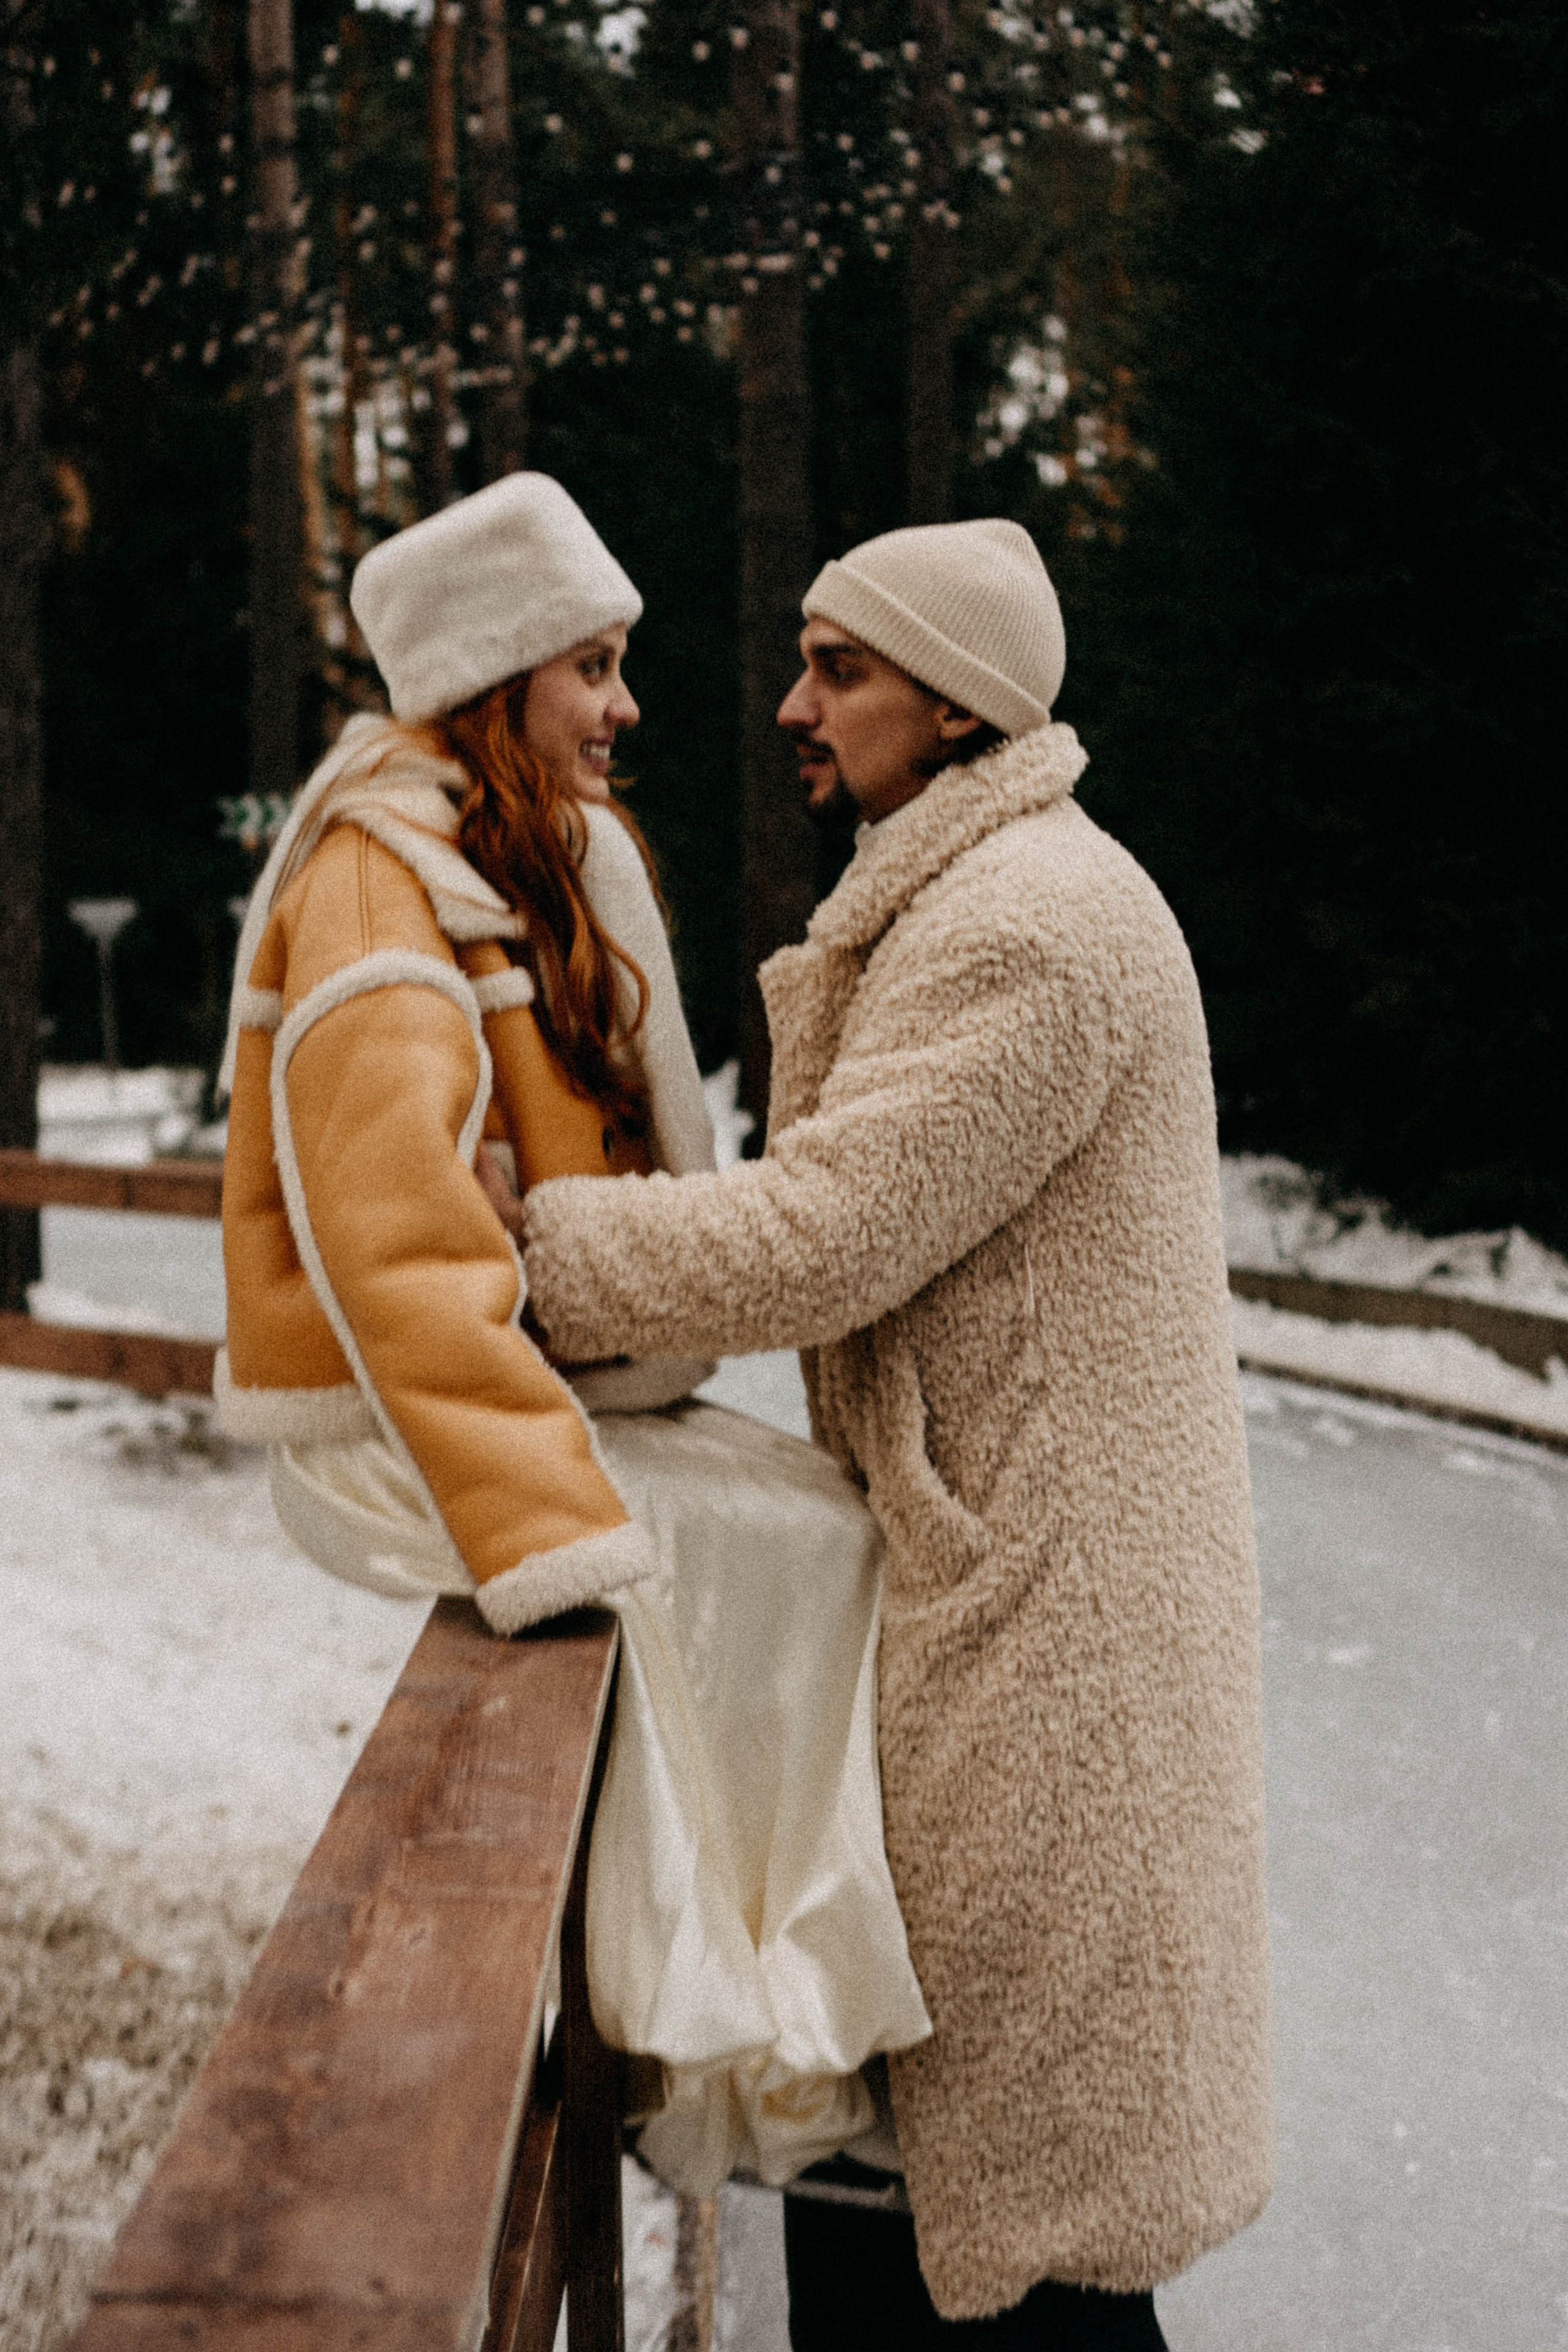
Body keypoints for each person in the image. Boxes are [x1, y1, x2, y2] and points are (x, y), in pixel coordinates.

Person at [514, 519, 1275, 2348]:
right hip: (1001, 1615)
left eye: (839, 669)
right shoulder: (974, 899)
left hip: (1053, 1660)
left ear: (955, 703)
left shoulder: (1036, 928)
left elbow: (830, 1229)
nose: (793, 704)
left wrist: (532, 1250)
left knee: (1024, 2259)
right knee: (952, 2232)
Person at [215, 472, 931, 2194]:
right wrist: (546, 1520)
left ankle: (806, 2030)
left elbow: (547, 1176)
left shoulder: (512, 852)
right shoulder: (378, 890)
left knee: (825, 1528)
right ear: (496, 677)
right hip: (401, 1431)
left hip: (510, 1398)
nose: (628, 707)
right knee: (731, 1562)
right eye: (592, 669)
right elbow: (402, 1268)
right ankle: (727, 2065)